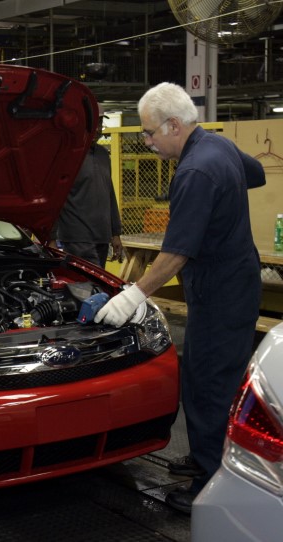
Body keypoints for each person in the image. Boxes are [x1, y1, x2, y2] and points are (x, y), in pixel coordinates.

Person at [94, 82, 266, 514]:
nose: (147, 142)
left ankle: (210, 489)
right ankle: (210, 458)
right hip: (236, 281)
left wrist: (132, 294)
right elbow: (257, 173)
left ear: (174, 125)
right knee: (212, 377)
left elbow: (174, 256)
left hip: (220, 290)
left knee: (208, 387)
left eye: (150, 133)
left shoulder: (195, 172)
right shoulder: (216, 147)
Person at [49, 104, 123, 267]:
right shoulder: (67, 156)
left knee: (97, 287)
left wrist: (115, 233)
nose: (98, 129)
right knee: (87, 287)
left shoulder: (103, 155)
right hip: (77, 238)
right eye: (93, 124)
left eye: (100, 124)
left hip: (102, 237)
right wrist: (51, 238)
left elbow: (109, 194)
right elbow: (55, 198)